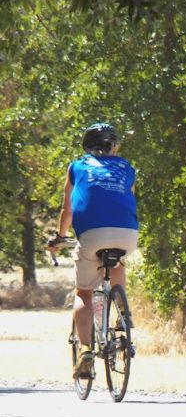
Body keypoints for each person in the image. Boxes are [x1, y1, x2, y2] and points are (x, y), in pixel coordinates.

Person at [48, 123, 138, 378]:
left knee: (84, 293)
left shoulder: (77, 167)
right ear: (115, 146)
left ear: (86, 147)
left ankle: (86, 348)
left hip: (92, 234)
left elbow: (68, 209)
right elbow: (126, 200)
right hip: (128, 233)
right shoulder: (126, 168)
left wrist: (60, 237)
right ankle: (122, 313)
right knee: (117, 262)